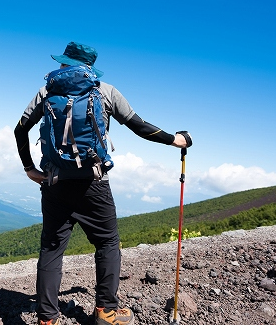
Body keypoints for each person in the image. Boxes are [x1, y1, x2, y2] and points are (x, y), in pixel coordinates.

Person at [14, 42, 191, 325]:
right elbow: (140, 126)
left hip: (54, 182)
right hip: (94, 184)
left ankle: (48, 319)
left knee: (51, 249)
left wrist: (29, 169)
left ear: (64, 63)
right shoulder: (105, 91)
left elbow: (20, 129)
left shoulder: (47, 91)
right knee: (108, 243)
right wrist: (175, 139)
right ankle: (106, 312)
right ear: (89, 67)